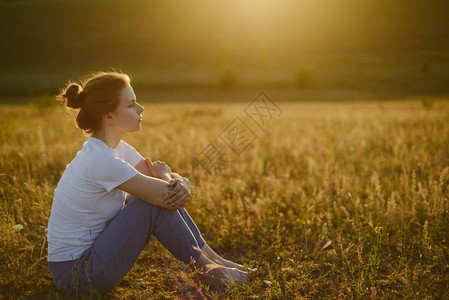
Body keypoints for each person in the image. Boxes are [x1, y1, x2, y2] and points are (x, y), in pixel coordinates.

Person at [46, 71, 257, 294]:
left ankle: (217, 262)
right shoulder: (102, 160)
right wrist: (173, 180)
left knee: (151, 198)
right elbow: (163, 194)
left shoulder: (115, 149)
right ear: (109, 116)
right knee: (149, 204)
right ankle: (209, 270)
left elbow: (160, 185)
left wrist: (179, 182)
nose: (141, 109)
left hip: (87, 263)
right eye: (131, 104)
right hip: (77, 276)